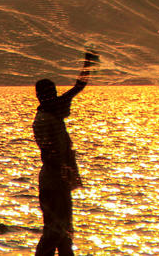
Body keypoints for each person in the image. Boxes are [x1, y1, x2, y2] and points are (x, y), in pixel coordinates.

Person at [33, 49, 97, 256]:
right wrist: (88, 63)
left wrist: (87, 63)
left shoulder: (48, 113)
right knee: (56, 231)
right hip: (54, 181)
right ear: (43, 97)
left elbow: (76, 88)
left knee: (64, 231)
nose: (56, 97)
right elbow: (78, 87)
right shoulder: (47, 116)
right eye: (51, 94)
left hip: (55, 180)